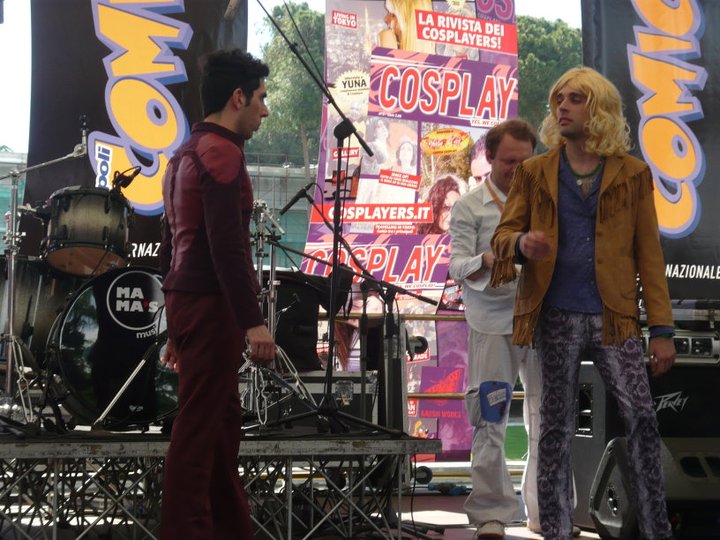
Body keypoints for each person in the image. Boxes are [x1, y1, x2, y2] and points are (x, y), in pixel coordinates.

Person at [491, 67, 676, 540]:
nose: (563, 107)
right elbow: (503, 235)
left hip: (616, 317)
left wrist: (661, 329)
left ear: (599, 109)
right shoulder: (534, 172)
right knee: (555, 425)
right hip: (555, 313)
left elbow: (650, 255)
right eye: (559, 99)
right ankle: (554, 529)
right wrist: (521, 244)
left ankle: (656, 529)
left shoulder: (633, 174)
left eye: (575, 98)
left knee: (641, 418)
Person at [158, 49, 275, 540]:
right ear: (238, 97)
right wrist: (253, 321)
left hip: (192, 302)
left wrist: (174, 329)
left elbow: (172, 247)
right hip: (210, 305)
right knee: (200, 433)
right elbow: (226, 246)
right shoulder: (221, 153)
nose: (265, 110)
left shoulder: (185, 153)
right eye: (261, 98)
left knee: (221, 428)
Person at [449, 119, 544, 539]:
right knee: (490, 419)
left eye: (525, 162)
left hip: (541, 322)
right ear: (489, 157)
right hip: (491, 324)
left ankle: (546, 509)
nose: (517, 170)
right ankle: (491, 514)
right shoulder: (469, 206)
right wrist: (485, 261)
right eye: (509, 161)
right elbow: (456, 265)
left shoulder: (545, 202)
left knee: (548, 419)